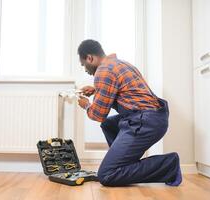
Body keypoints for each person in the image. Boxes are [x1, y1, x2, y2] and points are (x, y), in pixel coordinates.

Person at [77, 39, 182, 187]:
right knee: (108, 124)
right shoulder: (121, 64)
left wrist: (86, 105)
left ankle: (168, 165)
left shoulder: (103, 71)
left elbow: (97, 114)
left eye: (83, 65)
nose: (85, 69)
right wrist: (97, 90)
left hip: (144, 121)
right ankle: (124, 161)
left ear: (90, 58)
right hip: (154, 117)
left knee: (106, 175)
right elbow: (128, 93)